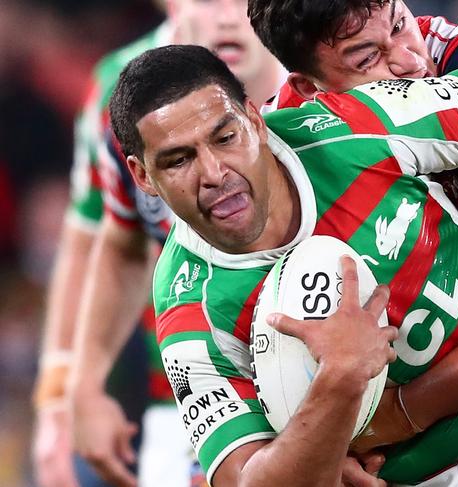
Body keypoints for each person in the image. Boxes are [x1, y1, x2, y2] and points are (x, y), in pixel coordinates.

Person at [110, 35, 458, 485]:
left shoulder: (354, 127)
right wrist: (342, 378)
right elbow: (249, 480)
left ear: (254, 118)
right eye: (178, 160)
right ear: (141, 176)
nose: (213, 172)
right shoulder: (187, 306)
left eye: (224, 137)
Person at [32, 1, 286, 487]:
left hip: (326, 376)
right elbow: (112, 235)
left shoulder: (323, 67)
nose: (231, 15)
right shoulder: (121, 93)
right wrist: (69, 392)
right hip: (184, 396)